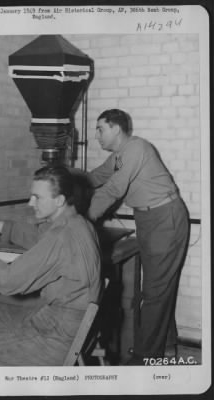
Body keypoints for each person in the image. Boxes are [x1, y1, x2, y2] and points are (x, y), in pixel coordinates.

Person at [0, 166, 102, 366]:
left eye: (37, 197)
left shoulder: (60, 236)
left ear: (59, 201)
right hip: (73, 325)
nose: (30, 202)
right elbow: (36, 235)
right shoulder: (79, 223)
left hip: (56, 338)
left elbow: (8, 281)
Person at [87, 109, 190, 365]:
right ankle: (165, 347)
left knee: (154, 290)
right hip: (148, 219)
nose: (96, 135)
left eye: (100, 128)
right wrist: (64, 181)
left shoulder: (136, 148)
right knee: (159, 287)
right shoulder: (119, 157)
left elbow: (113, 188)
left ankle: (146, 359)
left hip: (165, 217)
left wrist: (81, 220)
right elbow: (97, 177)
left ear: (116, 129)